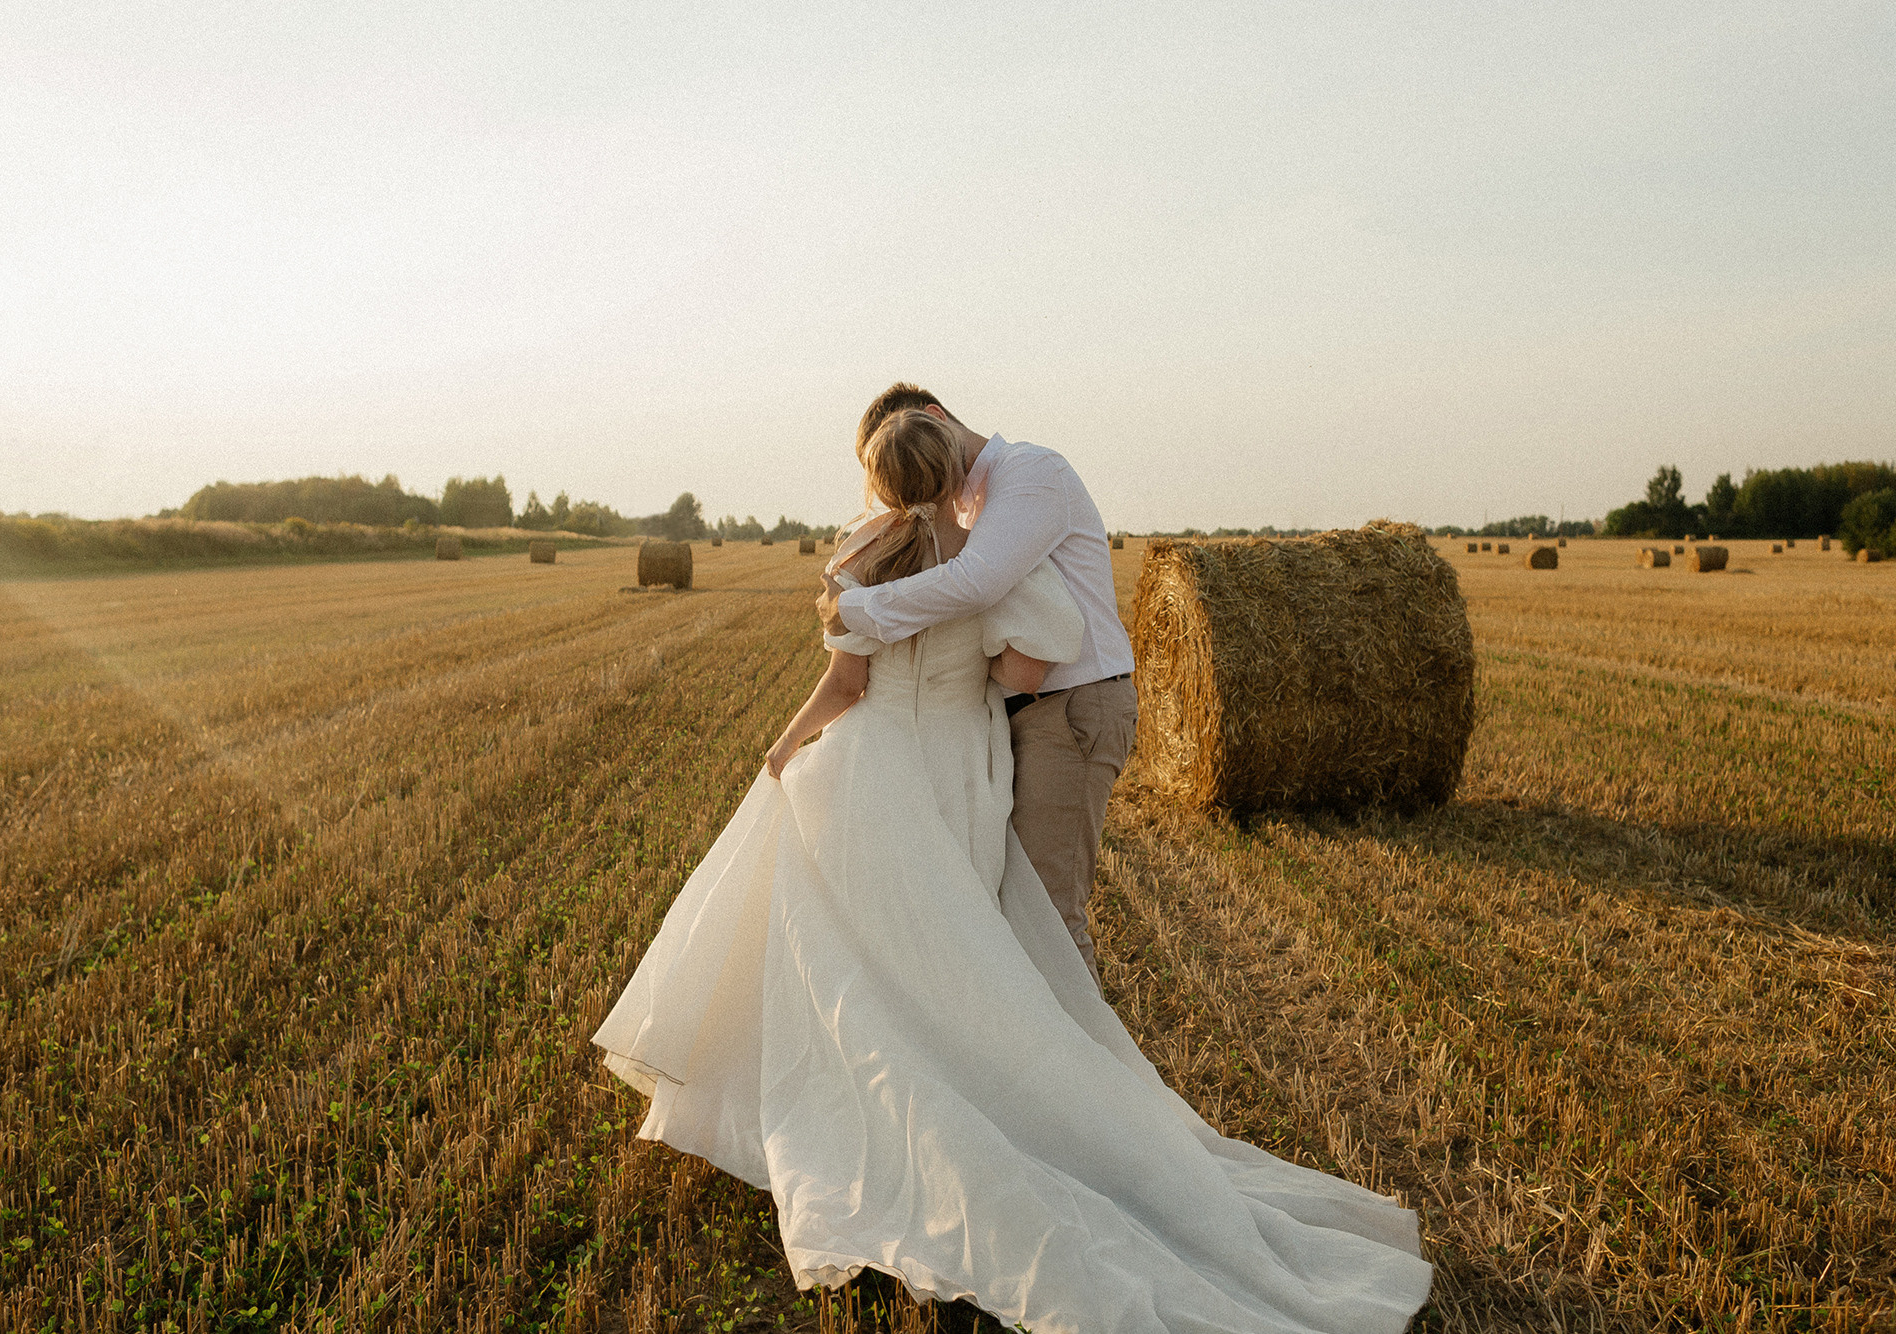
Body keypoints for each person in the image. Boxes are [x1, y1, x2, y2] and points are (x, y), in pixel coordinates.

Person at [592, 407, 1433, 1333]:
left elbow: (845, 685)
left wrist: (786, 746)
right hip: (961, 771)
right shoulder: (989, 561)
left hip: (871, 771)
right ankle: (1049, 1103)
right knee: (976, 943)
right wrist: (977, 686)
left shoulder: (859, 560)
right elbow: (1035, 661)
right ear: (946, 457)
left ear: (878, 483)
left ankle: (876, 1112)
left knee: (857, 964)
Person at [817, 384, 1133, 986]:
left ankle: (1080, 1071)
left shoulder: (1029, 474)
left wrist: (856, 609)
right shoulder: (965, 510)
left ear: (933, 418)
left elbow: (978, 582)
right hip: (1021, 717)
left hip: (1068, 711)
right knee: (1009, 916)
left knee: (1048, 921)